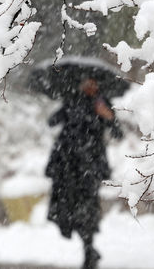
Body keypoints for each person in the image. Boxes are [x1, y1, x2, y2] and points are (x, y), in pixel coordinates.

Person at [45, 77, 123, 269]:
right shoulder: (72, 100)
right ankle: (89, 248)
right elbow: (52, 121)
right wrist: (67, 108)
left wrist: (108, 117)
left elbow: (118, 133)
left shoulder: (102, 103)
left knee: (87, 207)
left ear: (98, 84)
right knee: (67, 207)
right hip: (67, 163)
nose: (88, 86)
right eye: (85, 82)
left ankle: (89, 249)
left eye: (92, 82)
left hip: (90, 164)